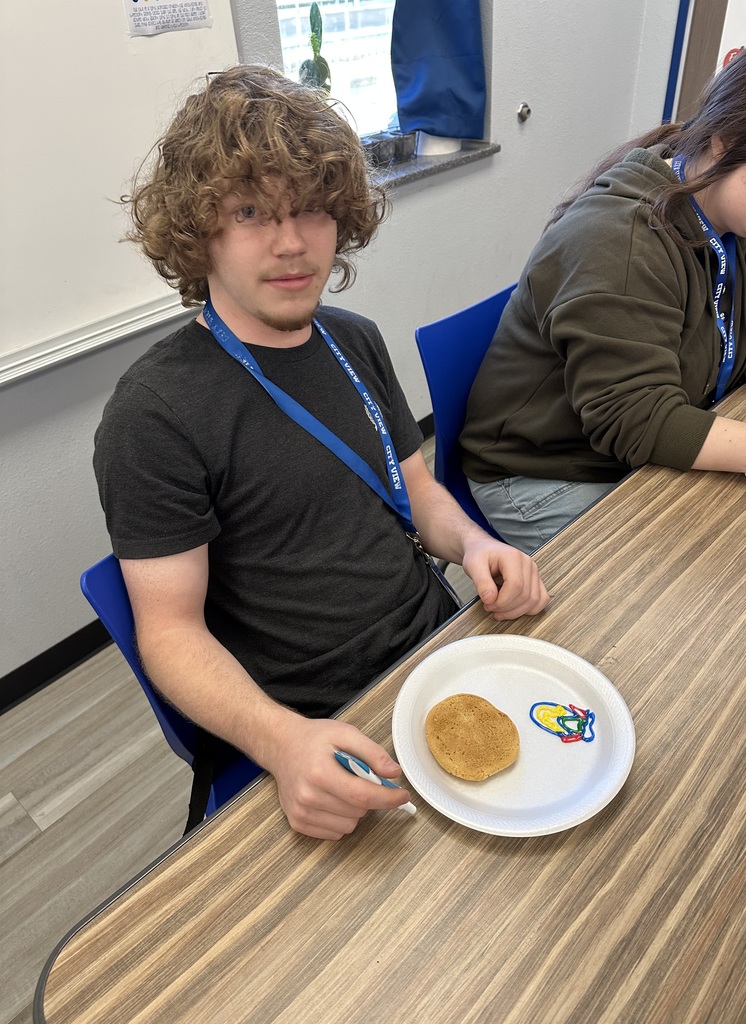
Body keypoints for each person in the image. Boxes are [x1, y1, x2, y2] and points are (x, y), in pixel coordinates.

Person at [93, 65, 549, 841]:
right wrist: (281, 739)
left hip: (438, 641)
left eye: (310, 209)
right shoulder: (154, 415)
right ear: (196, 229)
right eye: (249, 213)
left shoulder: (354, 340)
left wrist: (475, 543)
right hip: (316, 716)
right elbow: (168, 633)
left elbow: (417, 491)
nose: (292, 242)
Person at [460, 37, 746, 555]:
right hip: (548, 472)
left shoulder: (744, 221)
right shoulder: (619, 240)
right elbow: (637, 419)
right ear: (723, 140)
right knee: (704, 589)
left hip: (636, 446)